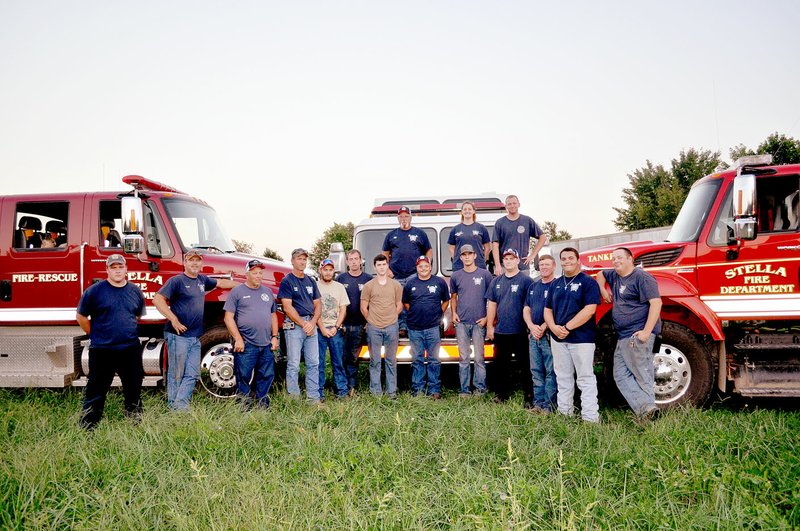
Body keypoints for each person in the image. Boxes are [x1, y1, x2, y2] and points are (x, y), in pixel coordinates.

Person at [154, 249, 237, 410]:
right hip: (178, 335)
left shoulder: (201, 280)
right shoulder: (177, 281)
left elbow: (220, 283)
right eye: (191, 260)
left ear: (201, 263)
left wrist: (244, 286)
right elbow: (158, 299)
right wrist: (174, 319)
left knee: (192, 374)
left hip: (195, 337)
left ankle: (180, 406)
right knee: (176, 374)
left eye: (197, 260)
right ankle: (175, 409)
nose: (194, 263)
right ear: (184, 262)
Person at [76, 254, 146, 430]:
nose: (117, 270)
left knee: (133, 387)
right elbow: (81, 317)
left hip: (129, 349)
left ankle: (135, 422)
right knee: (96, 389)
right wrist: (96, 334)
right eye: (113, 267)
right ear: (107, 270)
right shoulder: (94, 291)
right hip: (102, 350)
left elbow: (136, 316)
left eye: (120, 267)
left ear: (126, 269)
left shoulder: (135, 291)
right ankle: (88, 426)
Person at [596, 247, 663, 422]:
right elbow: (600, 274)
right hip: (623, 335)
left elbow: (656, 303)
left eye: (619, 258)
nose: (615, 261)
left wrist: (646, 332)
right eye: (613, 259)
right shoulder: (615, 276)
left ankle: (648, 415)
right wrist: (603, 290)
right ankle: (647, 409)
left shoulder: (642, 278)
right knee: (620, 375)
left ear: (630, 259)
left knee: (642, 374)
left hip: (637, 335)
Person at [543, 247, 601, 423]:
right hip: (558, 339)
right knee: (563, 378)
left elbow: (590, 310)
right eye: (564, 259)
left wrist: (567, 327)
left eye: (570, 258)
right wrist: (553, 327)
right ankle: (564, 414)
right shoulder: (556, 283)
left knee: (585, 378)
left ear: (578, 260)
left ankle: (590, 418)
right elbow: (547, 310)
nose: (567, 261)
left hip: (581, 339)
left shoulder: (588, 282)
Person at [223, 260, 280, 410]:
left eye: (261, 273)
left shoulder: (267, 292)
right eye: (255, 273)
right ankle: (244, 406)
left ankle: (263, 405)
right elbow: (228, 317)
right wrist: (238, 339)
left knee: (266, 375)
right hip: (246, 344)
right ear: (247, 274)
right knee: (243, 376)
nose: (258, 276)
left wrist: (274, 337)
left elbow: (273, 315)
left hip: (266, 343)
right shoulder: (237, 292)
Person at [486, 249, 534, 405]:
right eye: (505, 258)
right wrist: (490, 327)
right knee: (500, 366)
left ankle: (529, 396)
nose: (508, 261)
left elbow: (531, 306)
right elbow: (492, 305)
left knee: (525, 365)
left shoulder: (526, 281)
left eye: (511, 258)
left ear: (517, 260)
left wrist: (530, 328)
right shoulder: (496, 282)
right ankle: (501, 394)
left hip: (520, 331)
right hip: (501, 331)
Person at [278, 248, 322, 403]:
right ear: (292, 261)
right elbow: (287, 307)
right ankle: (294, 399)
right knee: (294, 364)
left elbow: (318, 304)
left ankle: (313, 398)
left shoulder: (311, 281)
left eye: (304, 259)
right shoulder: (287, 281)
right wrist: (304, 323)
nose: (302, 262)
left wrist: (312, 322)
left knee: (313, 363)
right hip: (295, 326)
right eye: (299, 259)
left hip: (311, 324)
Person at [403, 255, 450, 398]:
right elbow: (406, 303)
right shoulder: (410, 284)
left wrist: (438, 313)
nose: (423, 268)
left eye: (426, 265)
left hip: (433, 328)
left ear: (430, 267)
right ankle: (418, 390)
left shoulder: (439, 282)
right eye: (420, 266)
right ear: (417, 268)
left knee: (434, 360)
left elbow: (446, 300)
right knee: (417, 359)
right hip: (414, 328)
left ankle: (434, 390)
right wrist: (416, 312)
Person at [450, 244, 493, 396]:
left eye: (470, 254)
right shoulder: (456, 276)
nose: (467, 257)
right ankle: (464, 390)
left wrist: (487, 318)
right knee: (464, 358)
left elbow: (492, 300)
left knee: (479, 358)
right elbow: (453, 297)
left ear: (475, 255)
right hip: (461, 323)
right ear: (460, 257)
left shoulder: (485, 275)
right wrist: (454, 313)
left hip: (478, 323)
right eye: (464, 254)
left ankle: (480, 389)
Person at [382, 206, 432, 331]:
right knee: (398, 302)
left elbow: (429, 250)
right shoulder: (391, 235)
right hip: (396, 275)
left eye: (406, 216)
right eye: (401, 216)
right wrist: (387, 269)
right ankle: (401, 327)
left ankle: (412, 326)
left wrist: (428, 264)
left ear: (410, 217)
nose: (403, 218)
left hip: (414, 274)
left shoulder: (420, 233)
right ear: (398, 218)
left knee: (413, 300)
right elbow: (384, 253)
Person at [360, 254, 403, 398]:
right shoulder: (369, 286)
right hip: (374, 328)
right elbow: (363, 307)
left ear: (387, 265)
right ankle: (376, 393)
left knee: (391, 361)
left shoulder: (396, 285)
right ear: (375, 267)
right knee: (375, 361)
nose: (381, 267)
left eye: (384, 264)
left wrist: (393, 317)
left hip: (391, 327)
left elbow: (399, 305)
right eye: (379, 265)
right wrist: (371, 320)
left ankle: (391, 392)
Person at [522, 254, 558, 413]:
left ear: (554, 266)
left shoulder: (557, 285)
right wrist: (531, 326)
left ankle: (549, 406)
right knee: (536, 371)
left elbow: (557, 311)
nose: (544, 267)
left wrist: (543, 327)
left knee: (550, 371)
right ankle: (538, 404)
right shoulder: (534, 286)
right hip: (533, 335)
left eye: (547, 264)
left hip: (549, 335)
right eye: (541, 265)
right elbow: (526, 308)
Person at [335, 249, 373, 395]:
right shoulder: (340, 279)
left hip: (361, 325)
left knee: (354, 358)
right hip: (343, 325)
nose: (354, 262)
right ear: (347, 262)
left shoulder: (368, 279)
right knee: (342, 357)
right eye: (351, 259)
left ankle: (352, 386)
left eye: (356, 258)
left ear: (361, 260)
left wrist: (369, 321)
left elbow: (374, 302)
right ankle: (341, 387)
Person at [316, 258, 350, 400]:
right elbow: (313, 310)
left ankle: (341, 391)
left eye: (330, 270)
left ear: (333, 271)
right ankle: (319, 392)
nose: (328, 272)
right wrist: (322, 328)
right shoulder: (315, 286)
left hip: (335, 329)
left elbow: (343, 309)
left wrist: (336, 326)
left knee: (338, 362)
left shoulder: (339, 287)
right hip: (319, 329)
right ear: (320, 270)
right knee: (319, 362)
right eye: (325, 269)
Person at [491, 195, 548, 276]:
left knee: (524, 289)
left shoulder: (527, 220)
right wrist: (497, 265)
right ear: (506, 206)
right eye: (509, 204)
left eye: (514, 203)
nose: (512, 206)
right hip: (505, 267)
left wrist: (533, 255)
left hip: (523, 267)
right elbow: (495, 245)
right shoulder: (500, 223)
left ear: (519, 204)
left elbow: (543, 237)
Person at [447, 201, 491, 272]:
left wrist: (482, 259)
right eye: (465, 209)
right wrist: (456, 258)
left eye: (470, 209)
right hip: (459, 267)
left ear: (473, 211)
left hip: (478, 266)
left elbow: (488, 247)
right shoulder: (455, 229)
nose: (467, 211)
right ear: (461, 212)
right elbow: (451, 247)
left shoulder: (481, 228)